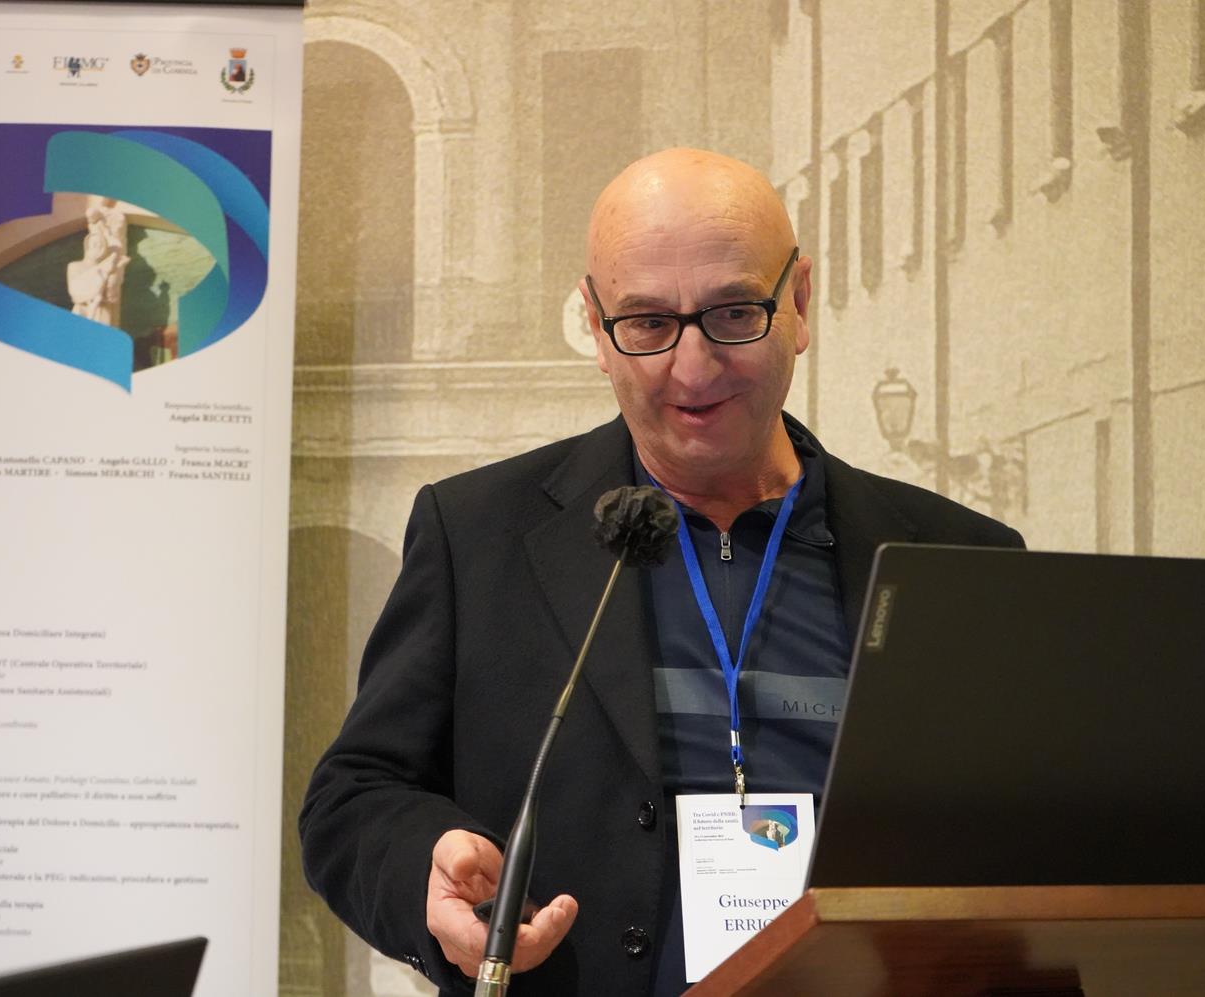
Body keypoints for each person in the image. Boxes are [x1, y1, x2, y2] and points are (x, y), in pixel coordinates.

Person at [300, 148, 1023, 996]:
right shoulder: (478, 535)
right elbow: (354, 797)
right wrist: (425, 864)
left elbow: (1026, 837)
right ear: (595, 324)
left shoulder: (959, 560)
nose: (693, 366)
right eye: (647, 323)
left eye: (733, 313)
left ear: (798, 303)